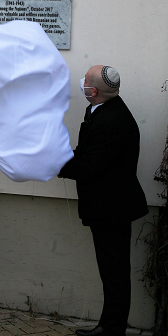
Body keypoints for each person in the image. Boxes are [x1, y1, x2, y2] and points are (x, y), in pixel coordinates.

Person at [59, 65, 148, 336]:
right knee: (111, 270)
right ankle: (109, 326)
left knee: (114, 272)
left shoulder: (112, 121)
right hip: (107, 205)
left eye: (85, 80)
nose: (82, 82)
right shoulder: (102, 109)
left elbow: (89, 166)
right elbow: (87, 153)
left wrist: (53, 163)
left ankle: (112, 329)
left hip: (112, 208)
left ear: (93, 90)